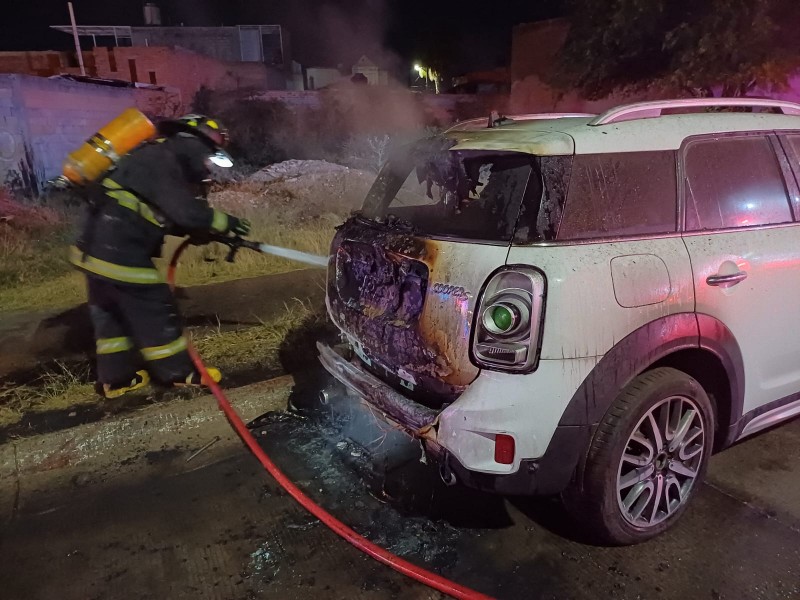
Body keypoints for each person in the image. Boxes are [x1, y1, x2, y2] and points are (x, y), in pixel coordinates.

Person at [69, 114, 251, 398]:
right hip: (120, 251)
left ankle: (116, 379)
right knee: (155, 307)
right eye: (208, 154)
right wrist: (227, 222)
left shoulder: (150, 157)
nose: (207, 164)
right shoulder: (162, 160)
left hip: (94, 252)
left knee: (111, 317)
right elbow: (187, 213)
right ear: (191, 142)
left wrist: (205, 233)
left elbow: (163, 214)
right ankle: (179, 373)